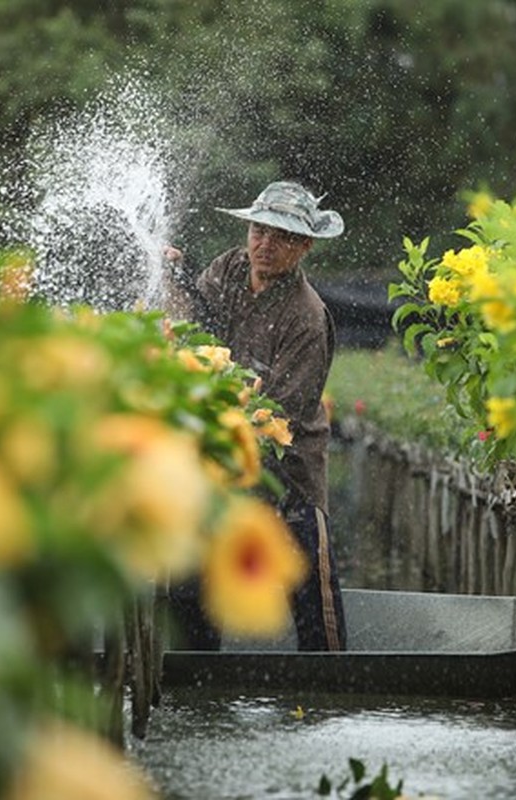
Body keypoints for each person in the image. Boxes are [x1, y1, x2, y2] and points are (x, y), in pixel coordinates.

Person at [164, 180, 347, 652]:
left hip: (288, 473)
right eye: (258, 231)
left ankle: (330, 700)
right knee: (193, 599)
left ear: (304, 246)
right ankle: (197, 690)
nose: (265, 245)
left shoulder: (306, 317)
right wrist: (175, 277)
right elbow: (196, 331)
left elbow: (275, 418)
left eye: (282, 237)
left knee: (316, 615)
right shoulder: (229, 266)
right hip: (220, 465)